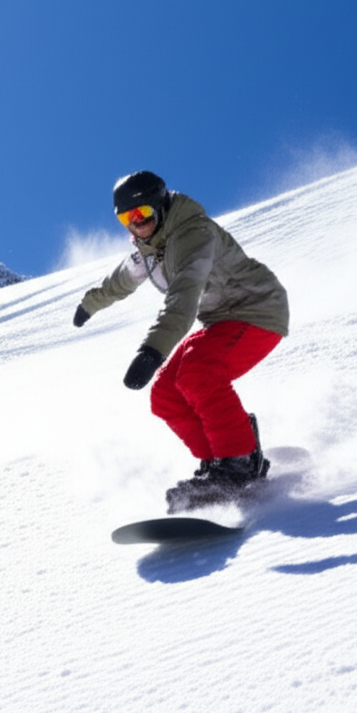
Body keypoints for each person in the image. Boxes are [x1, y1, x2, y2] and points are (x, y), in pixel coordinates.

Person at [73, 170, 290, 510]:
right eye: (125, 219)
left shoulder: (193, 235)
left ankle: (239, 464)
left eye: (141, 215)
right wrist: (90, 304)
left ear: (159, 207)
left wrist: (151, 351)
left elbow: (184, 298)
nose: (135, 225)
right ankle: (217, 466)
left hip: (258, 310)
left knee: (198, 372)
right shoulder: (149, 246)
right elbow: (121, 280)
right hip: (223, 320)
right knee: (166, 394)